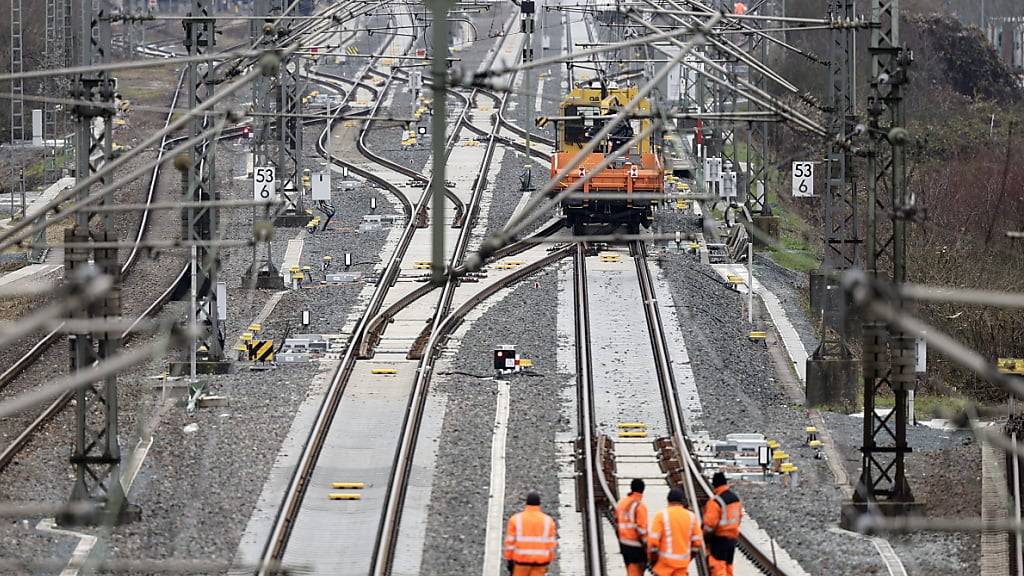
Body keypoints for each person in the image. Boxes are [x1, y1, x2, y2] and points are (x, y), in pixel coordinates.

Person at [647, 487, 703, 576]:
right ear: (682, 501)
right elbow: (697, 542)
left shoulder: (661, 516)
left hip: (664, 568)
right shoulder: (691, 517)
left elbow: (653, 543)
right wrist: (688, 558)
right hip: (682, 568)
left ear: (668, 500)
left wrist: (652, 561)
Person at [504, 492, 558, 576]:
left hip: (521, 561)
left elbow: (510, 543)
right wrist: (549, 559)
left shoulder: (516, 519)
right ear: (539, 503)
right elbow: (551, 544)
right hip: (540, 562)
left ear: (526, 503)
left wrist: (509, 559)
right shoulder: (548, 521)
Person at [702, 472, 744, 576]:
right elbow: (739, 517)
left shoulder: (716, 502)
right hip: (732, 538)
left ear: (715, 485)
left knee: (718, 567)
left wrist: (703, 537)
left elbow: (709, 524)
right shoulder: (735, 499)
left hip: (719, 540)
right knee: (728, 567)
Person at [614, 478, 649, 576]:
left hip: (624, 543)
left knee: (630, 570)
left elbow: (616, 522)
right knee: (636, 571)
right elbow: (642, 529)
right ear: (643, 490)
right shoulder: (640, 506)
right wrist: (648, 546)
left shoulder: (621, 503)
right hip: (635, 545)